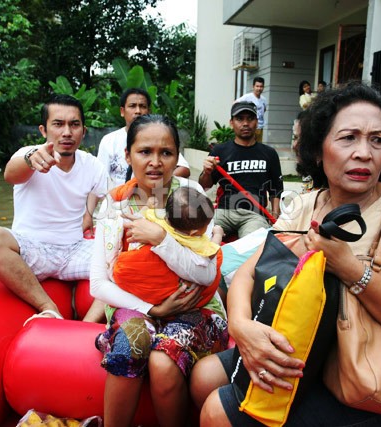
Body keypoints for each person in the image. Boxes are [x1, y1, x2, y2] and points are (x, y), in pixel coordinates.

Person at [191, 82, 381, 426]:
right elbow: (247, 273)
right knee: (203, 375)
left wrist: (350, 269)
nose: (364, 153)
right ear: (317, 149)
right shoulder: (303, 205)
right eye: (348, 138)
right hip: (304, 350)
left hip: (365, 373)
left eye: (377, 139)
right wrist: (241, 327)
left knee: (216, 410)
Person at [90, 114, 228, 427]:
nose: (155, 162)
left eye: (165, 153)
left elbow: (206, 269)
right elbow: (98, 285)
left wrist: (162, 239)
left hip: (199, 306)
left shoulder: (192, 195)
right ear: (128, 155)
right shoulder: (114, 205)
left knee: (163, 361)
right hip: (136, 305)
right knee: (130, 342)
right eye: (144, 152)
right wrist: (153, 308)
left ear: (177, 157)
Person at [0, 94, 108, 322]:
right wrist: (30, 159)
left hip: (76, 250)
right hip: (32, 251)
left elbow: (116, 202)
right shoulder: (28, 154)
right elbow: (11, 174)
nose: (67, 132)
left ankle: (86, 325)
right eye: (58, 124)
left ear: (83, 132)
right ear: (43, 130)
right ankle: (48, 306)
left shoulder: (92, 165)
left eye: (74, 125)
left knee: (130, 252)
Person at [107, 186, 224, 307]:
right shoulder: (194, 242)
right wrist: (218, 234)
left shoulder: (157, 219)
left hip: (141, 283)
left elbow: (144, 216)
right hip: (183, 295)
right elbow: (211, 252)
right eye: (207, 225)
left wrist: (148, 207)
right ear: (193, 232)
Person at [199, 101, 283, 238]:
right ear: (231, 123)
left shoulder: (269, 153)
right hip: (224, 212)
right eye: (240, 119)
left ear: (257, 122)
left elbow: (277, 190)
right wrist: (206, 172)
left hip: (254, 215)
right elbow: (205, 186)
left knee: (252, 247)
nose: (245, 123)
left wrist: (275, 219)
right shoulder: (219, 150)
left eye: (250, 119)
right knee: (199, 233)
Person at [97, 88, 190, 190]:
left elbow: (184, 169)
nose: (138, 111)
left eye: (142, 106)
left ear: (149, 111)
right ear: (122, 111)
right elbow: (100, 176)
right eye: (132, 106)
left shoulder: (159, 136)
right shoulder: (109, 141)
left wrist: (158, 181)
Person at [235, 77, 268, 142]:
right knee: (249, 145)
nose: (259, 88)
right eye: (257, 86)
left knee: (258, 146)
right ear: (253, 87)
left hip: (260, 127)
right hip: (250, 127)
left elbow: (264, 110)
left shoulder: (264, 99)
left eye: (261, 86)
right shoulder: (247, 97)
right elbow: (235, 103)